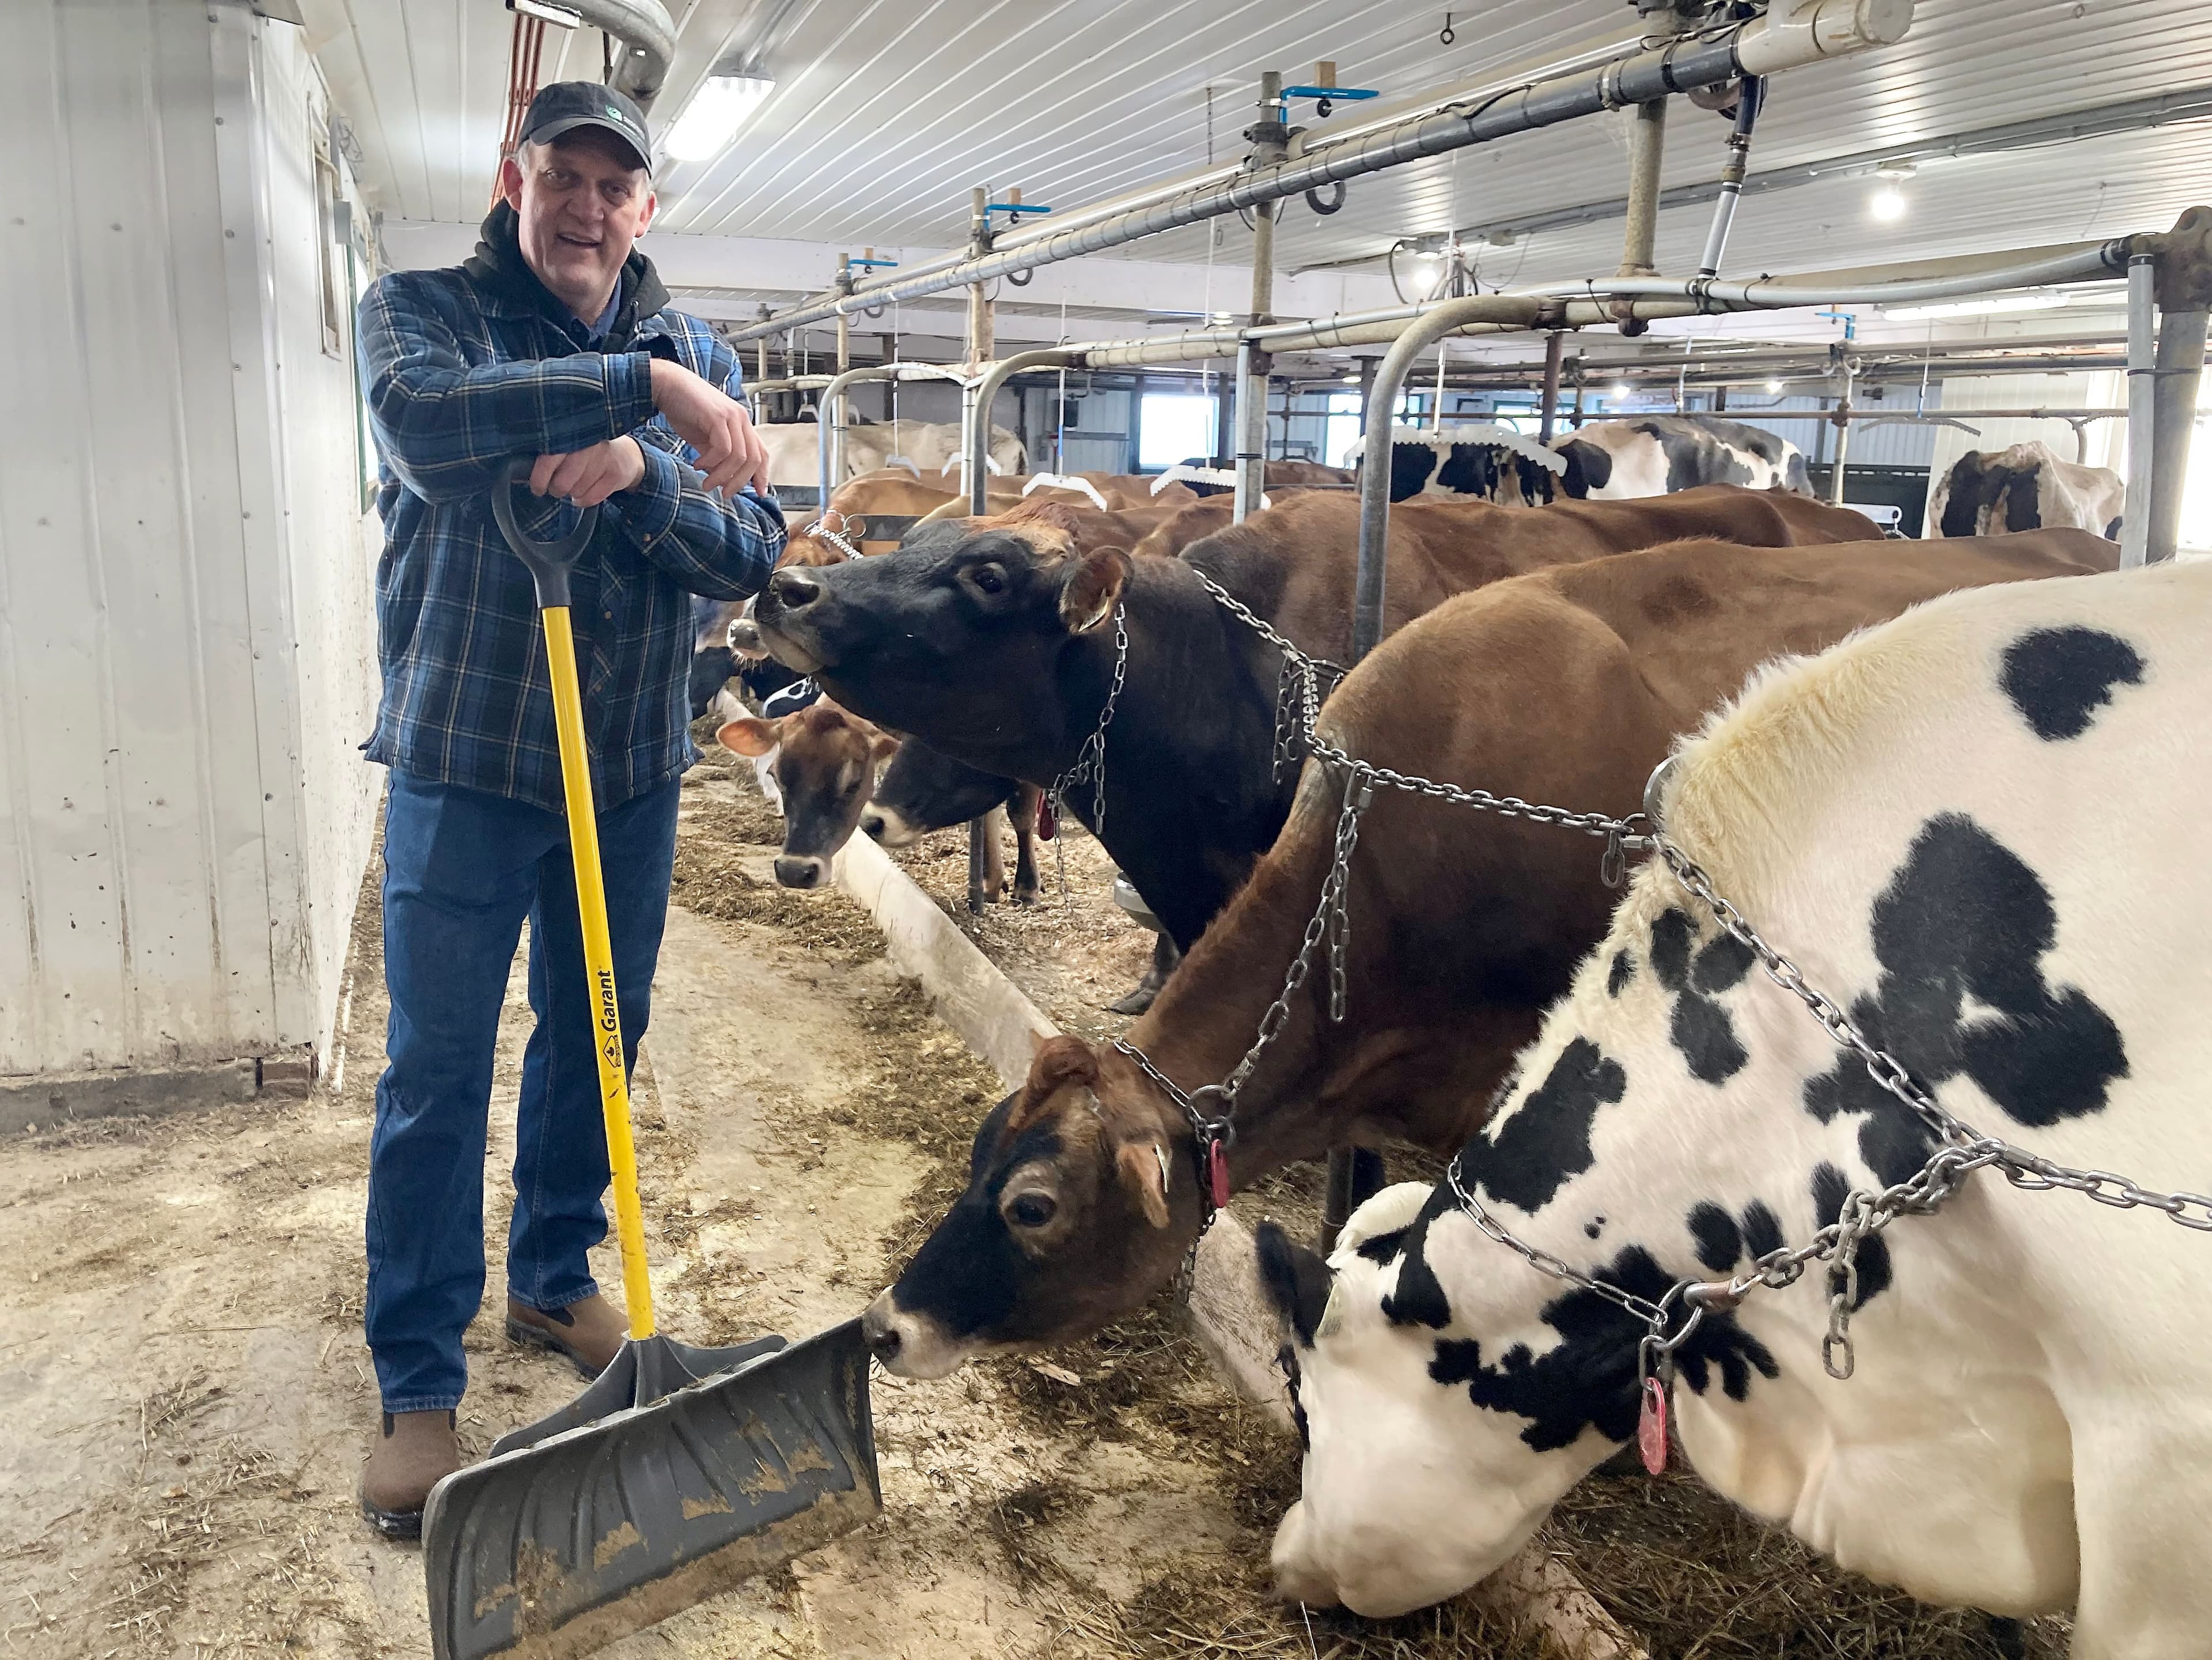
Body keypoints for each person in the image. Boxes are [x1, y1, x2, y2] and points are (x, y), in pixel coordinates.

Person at [350, 81, 784, 1537]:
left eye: (616, 186)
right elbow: (425, 426)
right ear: (513, 181)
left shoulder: (702, 346)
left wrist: (640, 473)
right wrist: (640, 394)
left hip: (630, 773)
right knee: (436, 1065)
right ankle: (418, 1373)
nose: (588, 206)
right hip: (466, 764)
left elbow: (747, 548)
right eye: (563, 176)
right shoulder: (420, 313)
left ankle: (551, 1276)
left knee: (600, 1031)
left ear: (646, 208)